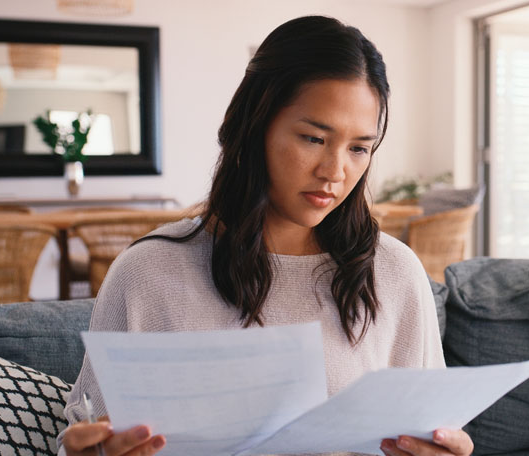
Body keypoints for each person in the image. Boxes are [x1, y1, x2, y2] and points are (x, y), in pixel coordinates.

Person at [59, 15, 475, 456]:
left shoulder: (394, 272)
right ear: (254, 127)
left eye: (359, 148)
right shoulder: (148, 274)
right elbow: (88, 434)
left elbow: (428, 431)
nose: (335, 172)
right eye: (314, 138)